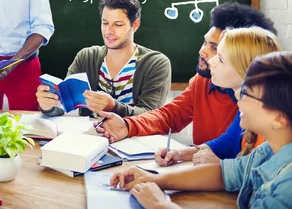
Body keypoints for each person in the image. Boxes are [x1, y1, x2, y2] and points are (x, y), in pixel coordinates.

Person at [109, 50, 292, 209]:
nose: (237, 94)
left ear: (279, 118)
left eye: (246, 93)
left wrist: (161, 205)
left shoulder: (287, 186)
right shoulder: (269, 151)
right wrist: (154, 179)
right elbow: (223, 173)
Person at [96, 2, 276, 145]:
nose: (203, 52)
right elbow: (170, 116)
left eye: (215, 49)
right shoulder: (203, 81)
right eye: (204, 42)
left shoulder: (258, 105)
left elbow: (237, 161)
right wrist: (128, 125)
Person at [155, 26, 281, 167]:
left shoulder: (275, 124)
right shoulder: (246, 107)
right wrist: (181, 154)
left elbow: (260, 177)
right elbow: (227, 143)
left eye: (220, 59)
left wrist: (220, 165)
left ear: (244, 69)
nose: (211, 62)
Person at [36, 0, 171, 117]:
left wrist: (113, 106)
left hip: (134, 139)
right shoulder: (87, 57)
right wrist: (48, 105)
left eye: (118, 25)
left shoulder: (156, 63)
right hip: (92, 138)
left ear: (135, 25)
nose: (108, 31)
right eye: (105, 23)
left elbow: (150, 116)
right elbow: (64, 105)